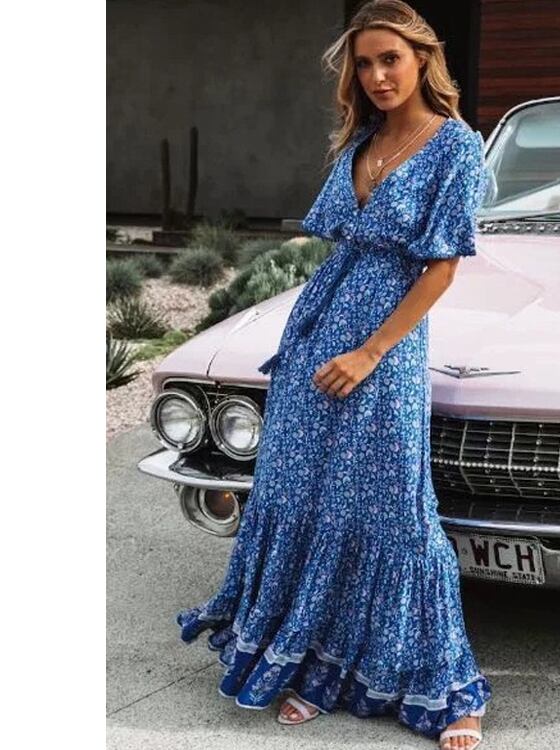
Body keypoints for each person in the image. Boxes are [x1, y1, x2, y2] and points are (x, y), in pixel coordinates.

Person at [176, 2, 492, 748]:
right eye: (365, 63)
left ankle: (448, 689)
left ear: (422, 60)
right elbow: (336, 245)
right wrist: (314, 338)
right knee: (306, 499)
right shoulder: (362, 139)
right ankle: (318, 670)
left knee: (394, 515)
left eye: (391, 58)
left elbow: (440, 269)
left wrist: (371, 352)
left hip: (382, 350)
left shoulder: (456, 146)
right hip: (314, 336)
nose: (378, 75)